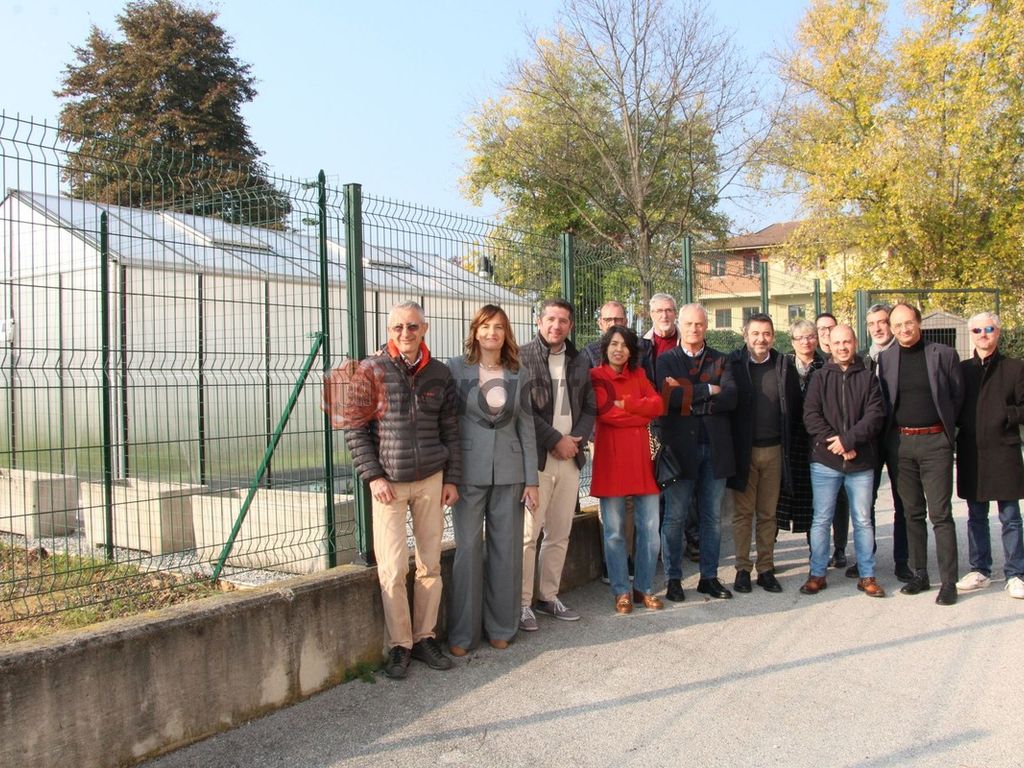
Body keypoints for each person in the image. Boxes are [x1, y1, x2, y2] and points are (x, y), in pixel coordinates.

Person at [343, 301, 461, 679]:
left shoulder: (440, 373)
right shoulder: (370, 371)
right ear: (389, 331)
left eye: (412, 326)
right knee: (393, 567)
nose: (405, 333)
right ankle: (400, 645)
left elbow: (451, 429)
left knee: (429, 564)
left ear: (424, 328)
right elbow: (354, 429)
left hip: (431, 480)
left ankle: (425, 637)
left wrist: (452, 478)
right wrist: (374, 476)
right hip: (388, 485)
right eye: (398, 327)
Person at [447, 305, 539, 656]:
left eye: (499, 327)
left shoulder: (519, 372)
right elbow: (448, 423)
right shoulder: (456, 368)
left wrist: (532, 480)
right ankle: (463, 635)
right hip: (468, 473)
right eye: (485, 326)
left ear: (506, 333)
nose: (492, 333)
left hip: (511, 473)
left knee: (506, 551)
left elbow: (526, 428)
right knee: (468, 551)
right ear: (475, 331)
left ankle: (502, 626)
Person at [877, 303, 963, 606]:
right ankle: (920, 574)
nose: (903, 329)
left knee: (940, 514)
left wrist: (947, 436)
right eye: (897, 325)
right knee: (911, 512)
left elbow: (957, 397)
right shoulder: (886, 358)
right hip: (901, 445)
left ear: (918, 322)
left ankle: (949, 582)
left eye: (908, 323)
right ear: (892, 328)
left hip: (935, 442)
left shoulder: (943, 354)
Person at [519, 298, 596, 630]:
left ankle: (548, 596)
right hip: (537, 460)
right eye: (550, 319)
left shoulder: (580, 360)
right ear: (539, 322)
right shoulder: (522, 357)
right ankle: (522, 604)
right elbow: (522, 410)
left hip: (570, 459)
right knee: (528, 535)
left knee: (560, 533)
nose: (556, 325)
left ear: (571, 326)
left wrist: (576, 439)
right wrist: (555, 440)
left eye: (563, 320)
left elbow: (590, 406)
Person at [656, 303, 737, 601]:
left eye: (699, 324)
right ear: (680, 324)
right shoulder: (666, 360)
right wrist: (708, 390)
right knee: (674, 517)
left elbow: (731, 397)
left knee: (711, 518)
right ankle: (673, 579)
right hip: (680, 451)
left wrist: (689, 395)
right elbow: (670, 399)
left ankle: (709, 578)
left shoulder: (722, 359)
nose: (694, 329)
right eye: (689, 324)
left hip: (715, 449)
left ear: (706, 327)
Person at [800, 325, 887, 598]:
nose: (842, 347)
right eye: (837, 342)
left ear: (855, 342)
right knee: (821, 519)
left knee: (862, 520)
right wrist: (837, 444)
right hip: (825, 461)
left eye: (847, 342)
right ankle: (817, 574)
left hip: (861, 462)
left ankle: (867, 575)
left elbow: (875, 416)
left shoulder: (869, 378)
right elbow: (811, 416)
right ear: (829, 344)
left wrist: (849, 441)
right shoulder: (819, 377)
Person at [590, 326, 664, 613]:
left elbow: (657, 406)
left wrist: (629, 403)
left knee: (650, 531)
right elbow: (607, 413)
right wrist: (639, 413)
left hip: (641, 462)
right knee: (614, 532)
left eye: (624, 345)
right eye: (613, 344)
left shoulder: (639, 375)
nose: (618, 349)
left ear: (632, 350)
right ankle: (621, 590)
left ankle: (644, 588)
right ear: (605, 347)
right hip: (611, 461)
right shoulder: (596, 376)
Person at [728, 312, 801, 594]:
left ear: (773, 336)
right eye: (756, 333)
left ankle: (766, 569)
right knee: (743, 514)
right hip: (744, 452)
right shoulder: (733, 364)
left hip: (775, 451)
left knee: (768, 514)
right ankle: (742, 569)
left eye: (766, 333)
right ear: (745, 335)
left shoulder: (784, 365)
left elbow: (794, 406)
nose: (761, 339)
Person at [954, 312, 1024, 600]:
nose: (983, 334)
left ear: (998, 332)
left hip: (1004, 449)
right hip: (972, 451)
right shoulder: (962, 370)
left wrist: (1004, 415)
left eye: (989, 329)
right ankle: (980, 569)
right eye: (977, 330)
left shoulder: (1015, 368)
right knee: (976, 516)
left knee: (1010, 516)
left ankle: (1016, 573)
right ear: (971, 334)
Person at [843, 303, 911, 581]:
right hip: (868, 440)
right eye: (871, 324)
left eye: (882, 322)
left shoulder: (905, 355)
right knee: (864, 503)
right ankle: (865, 558)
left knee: (903, 501)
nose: (877, 328)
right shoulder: (860, 360)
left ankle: (903, 560)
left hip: (899, 438)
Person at [775, 318, 825, 539]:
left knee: (813, 502)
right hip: (786, 439)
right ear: (792, 341)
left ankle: (817, 553)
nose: (806, 342)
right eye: (800, 338)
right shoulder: (782, 364)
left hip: (814, 441)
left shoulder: (825, 366)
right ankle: (767, 554)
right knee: (777, 502)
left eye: (810, 336)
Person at [583, 301, 628, 369]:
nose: (613, 324)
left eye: (618, 319)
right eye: (608, 320)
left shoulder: (639, 350)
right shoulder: (589, 352)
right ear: (600, 324)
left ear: (625, 322)